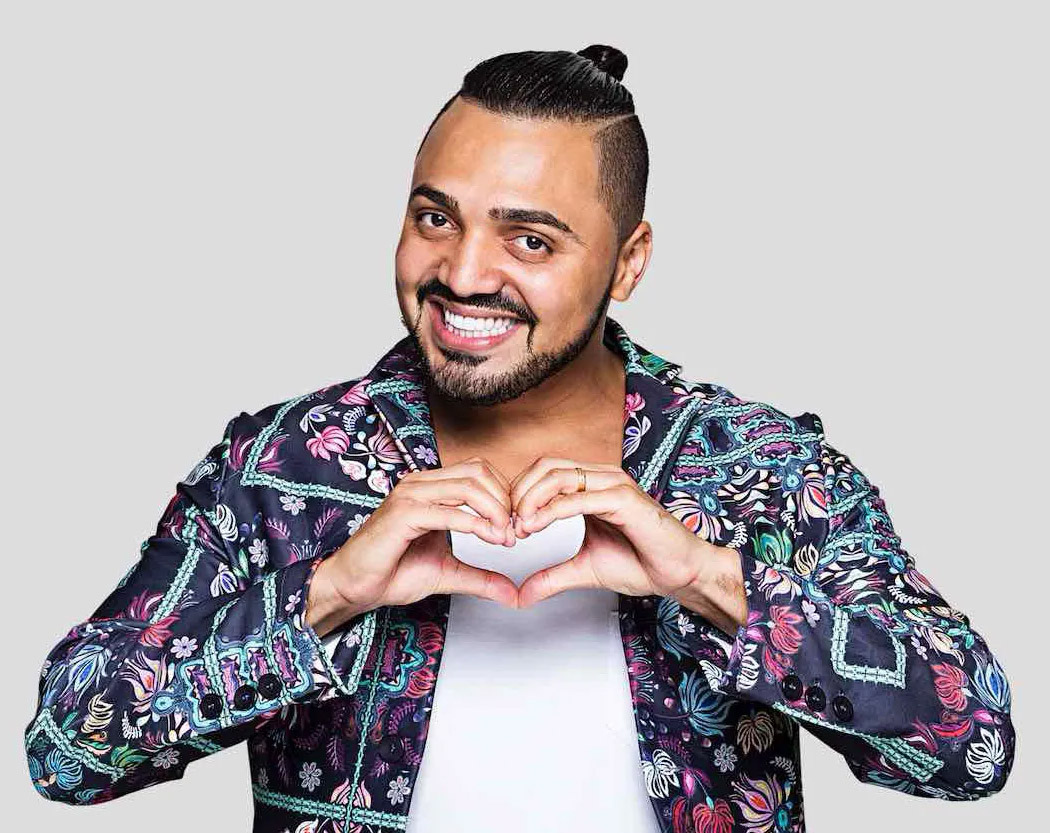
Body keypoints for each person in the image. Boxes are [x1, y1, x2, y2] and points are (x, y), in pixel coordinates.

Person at [26, 44, 1014, 832]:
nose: (463, 273)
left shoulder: (762, 469)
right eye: (435, 217)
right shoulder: (280, 468)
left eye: (530, 239)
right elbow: (67, 750)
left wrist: (713, 582)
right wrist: (324, 596)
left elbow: (972, 743)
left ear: (628, 261)